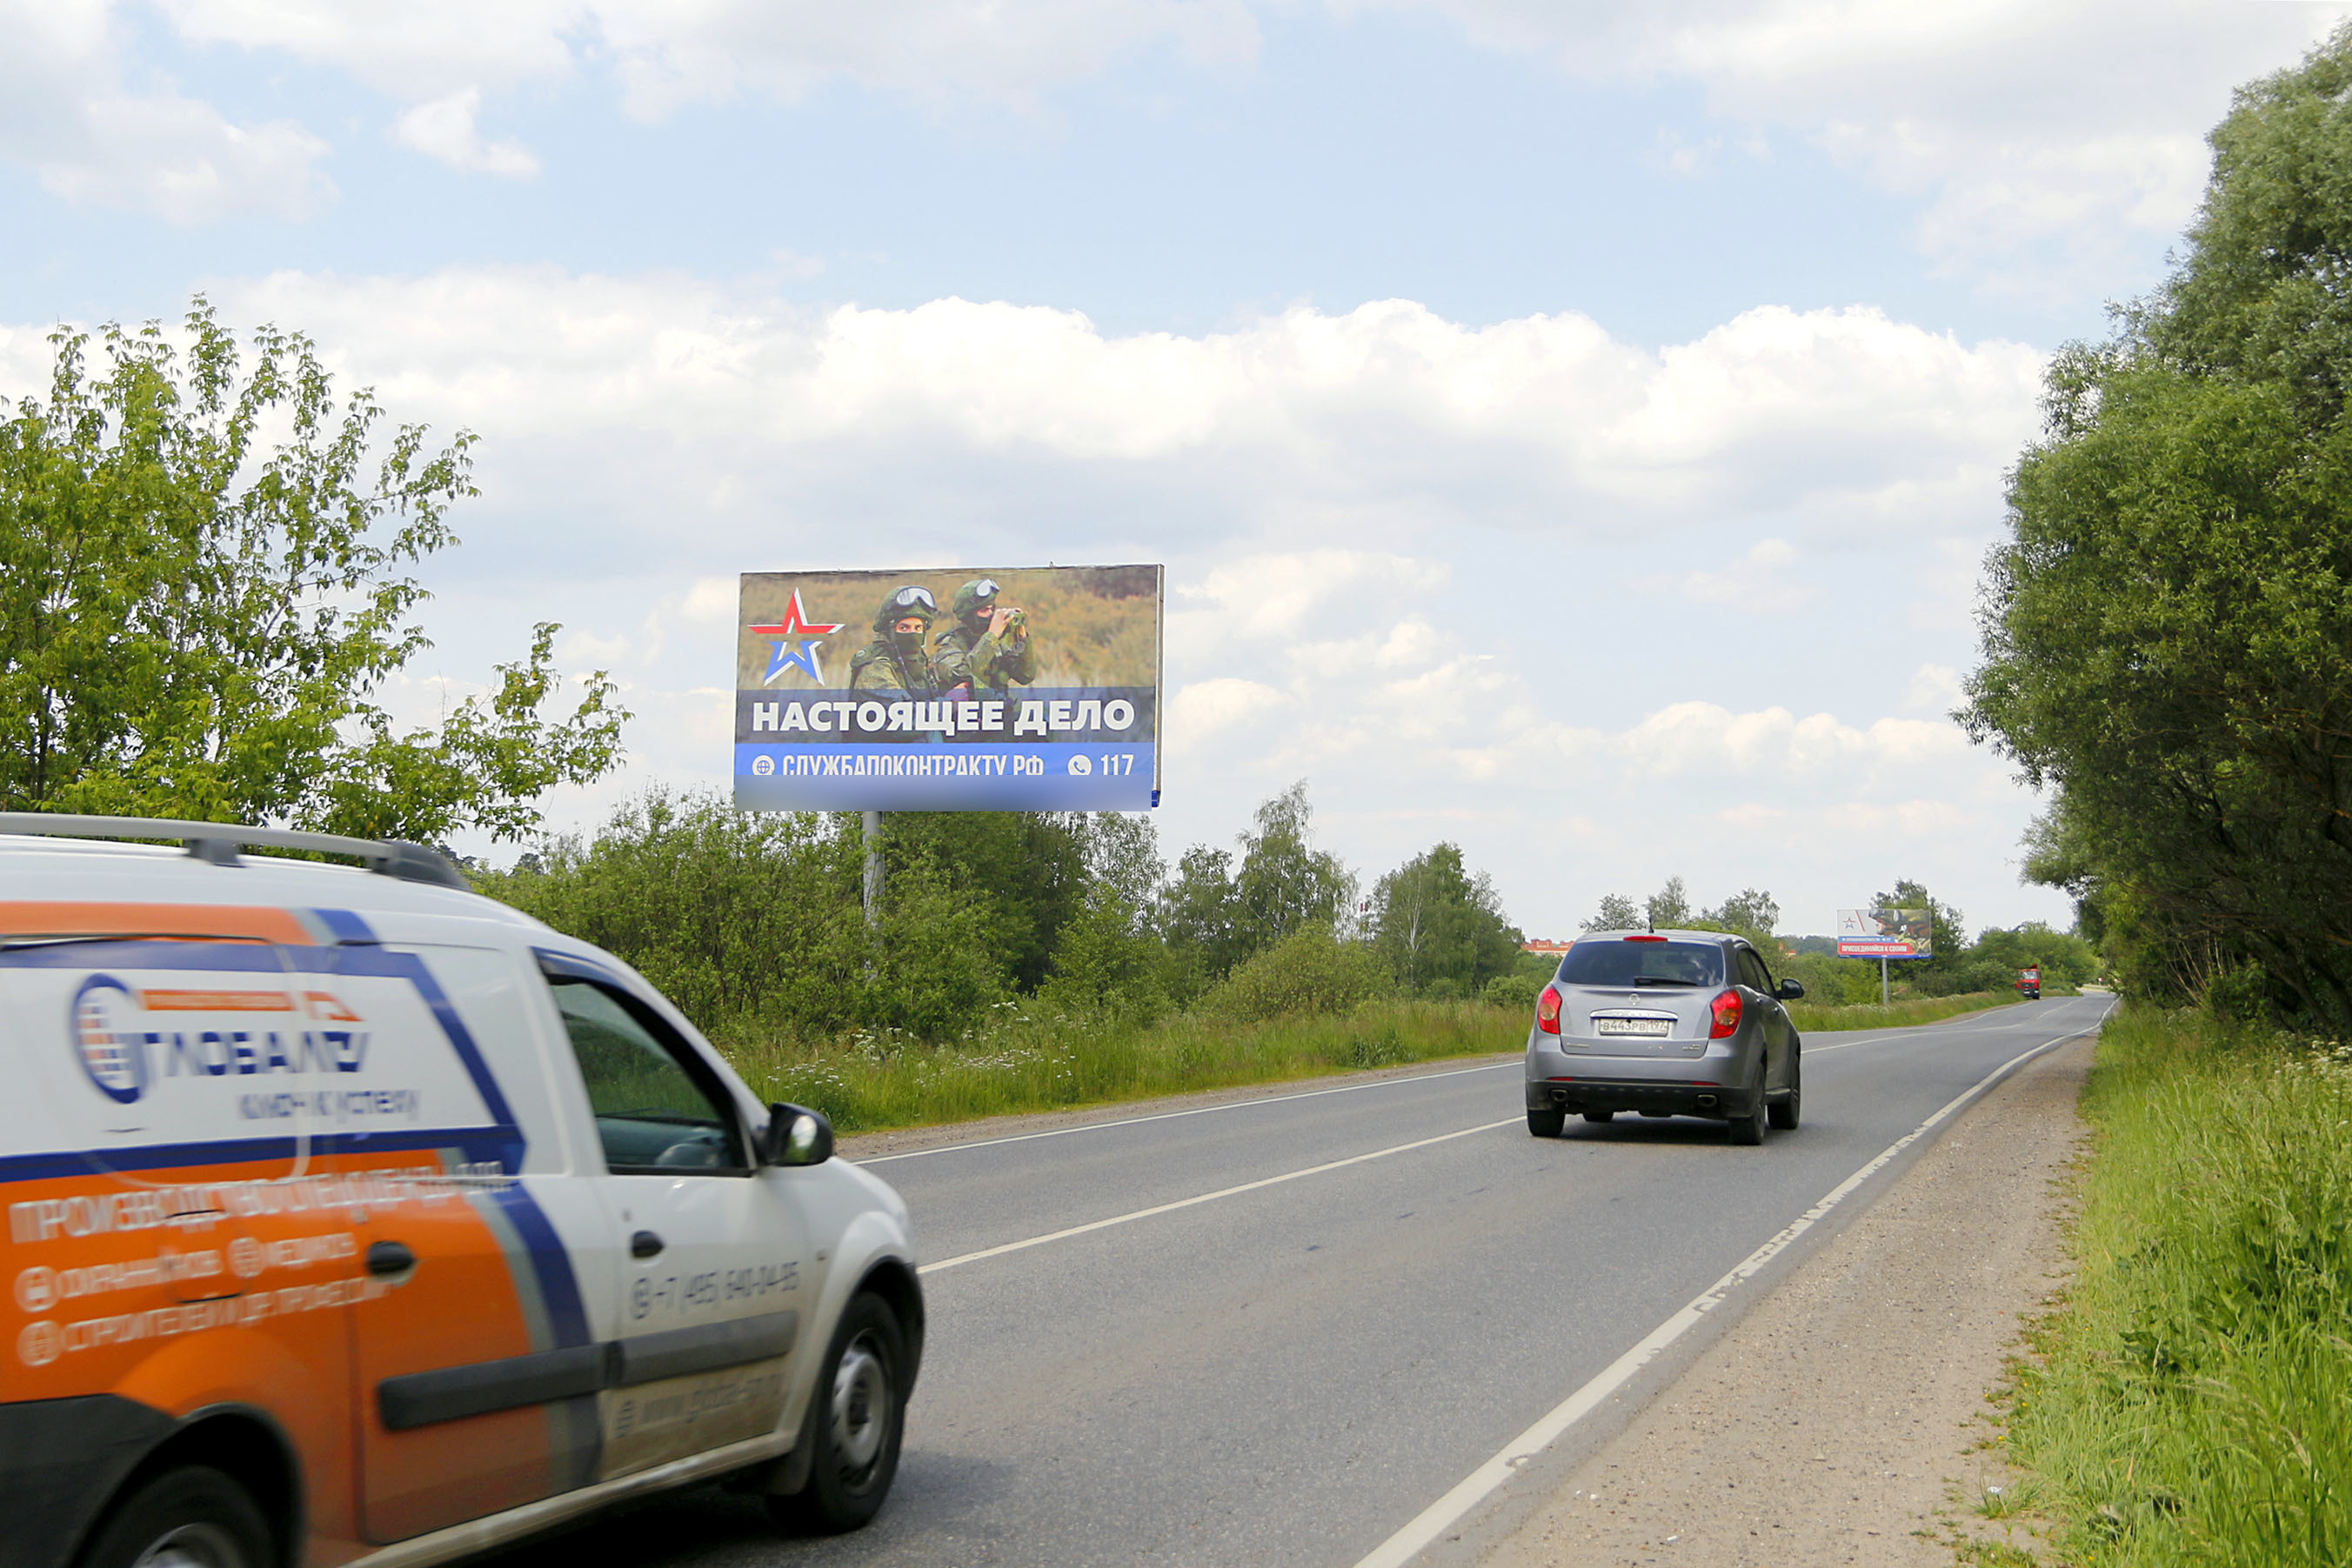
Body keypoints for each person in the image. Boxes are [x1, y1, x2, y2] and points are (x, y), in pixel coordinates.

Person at [932, 576, 1038, 697]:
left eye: (992, 609)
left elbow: (1026, 676)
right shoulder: (951, 644)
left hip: (995, 711)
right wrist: (991, 636)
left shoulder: (996, 644)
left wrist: (1022, 637)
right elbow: (961, 675)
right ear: (969, 614)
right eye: (984, 610)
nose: (991, 615)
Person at [849, 584, 941, 692]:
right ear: (889, 630)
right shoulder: (874, 666)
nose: (912, 633)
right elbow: (901, 707)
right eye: (904, 627)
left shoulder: (922, 663)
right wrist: (950, 702)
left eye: (918, 628)